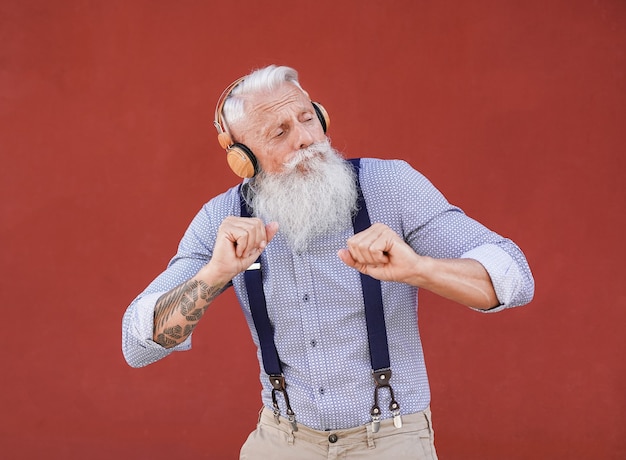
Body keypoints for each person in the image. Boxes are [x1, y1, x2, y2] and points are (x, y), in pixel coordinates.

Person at [122, 64, 534, 459]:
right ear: (241, 159)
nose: (304, 138)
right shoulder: (222, 220)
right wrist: (215, 274)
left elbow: (513, 276)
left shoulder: (391, 186)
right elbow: (137, 344)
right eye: (279, 132)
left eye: (307, 118)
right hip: (284, 439)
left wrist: (418, 269)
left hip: (391, 437)